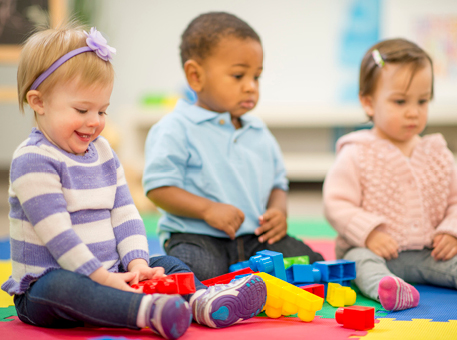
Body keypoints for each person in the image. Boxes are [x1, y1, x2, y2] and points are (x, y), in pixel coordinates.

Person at [1, 22, 267, 340]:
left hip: (112, 272)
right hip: (47, 286)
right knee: (63, 286)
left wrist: (137, 263)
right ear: (39, 102)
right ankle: (147, 312)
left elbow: (124, 211)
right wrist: (101, 277)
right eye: (82, 109)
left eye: (103, 111)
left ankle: (201, 302)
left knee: (166, 263)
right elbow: (58, 236)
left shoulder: (102, 151)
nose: (94, 123)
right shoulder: (33, 160)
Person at [143, 12, 324, 281]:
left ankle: (245, 285)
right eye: (239, 75)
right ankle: (151, 270)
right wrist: (207, 209)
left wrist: (278, 212)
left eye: (257, 77)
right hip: (198, 237)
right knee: (194, 272)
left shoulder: (259, 131)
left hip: (256, 240)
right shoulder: (175, 128)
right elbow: (158, 188)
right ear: (195, 76)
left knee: (313, 264)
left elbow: (278, 184)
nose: (250, 87)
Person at [323, 38, 457, 312]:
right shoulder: (356, 153)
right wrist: (369, 233)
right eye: (400, 101)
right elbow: (335, 203)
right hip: (371, 250)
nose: (413, 112)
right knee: (360, 264)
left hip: (428, 252)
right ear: (368, 102)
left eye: (422, 101)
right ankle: (389, 288)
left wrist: (453, 232)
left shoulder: (437, 152)